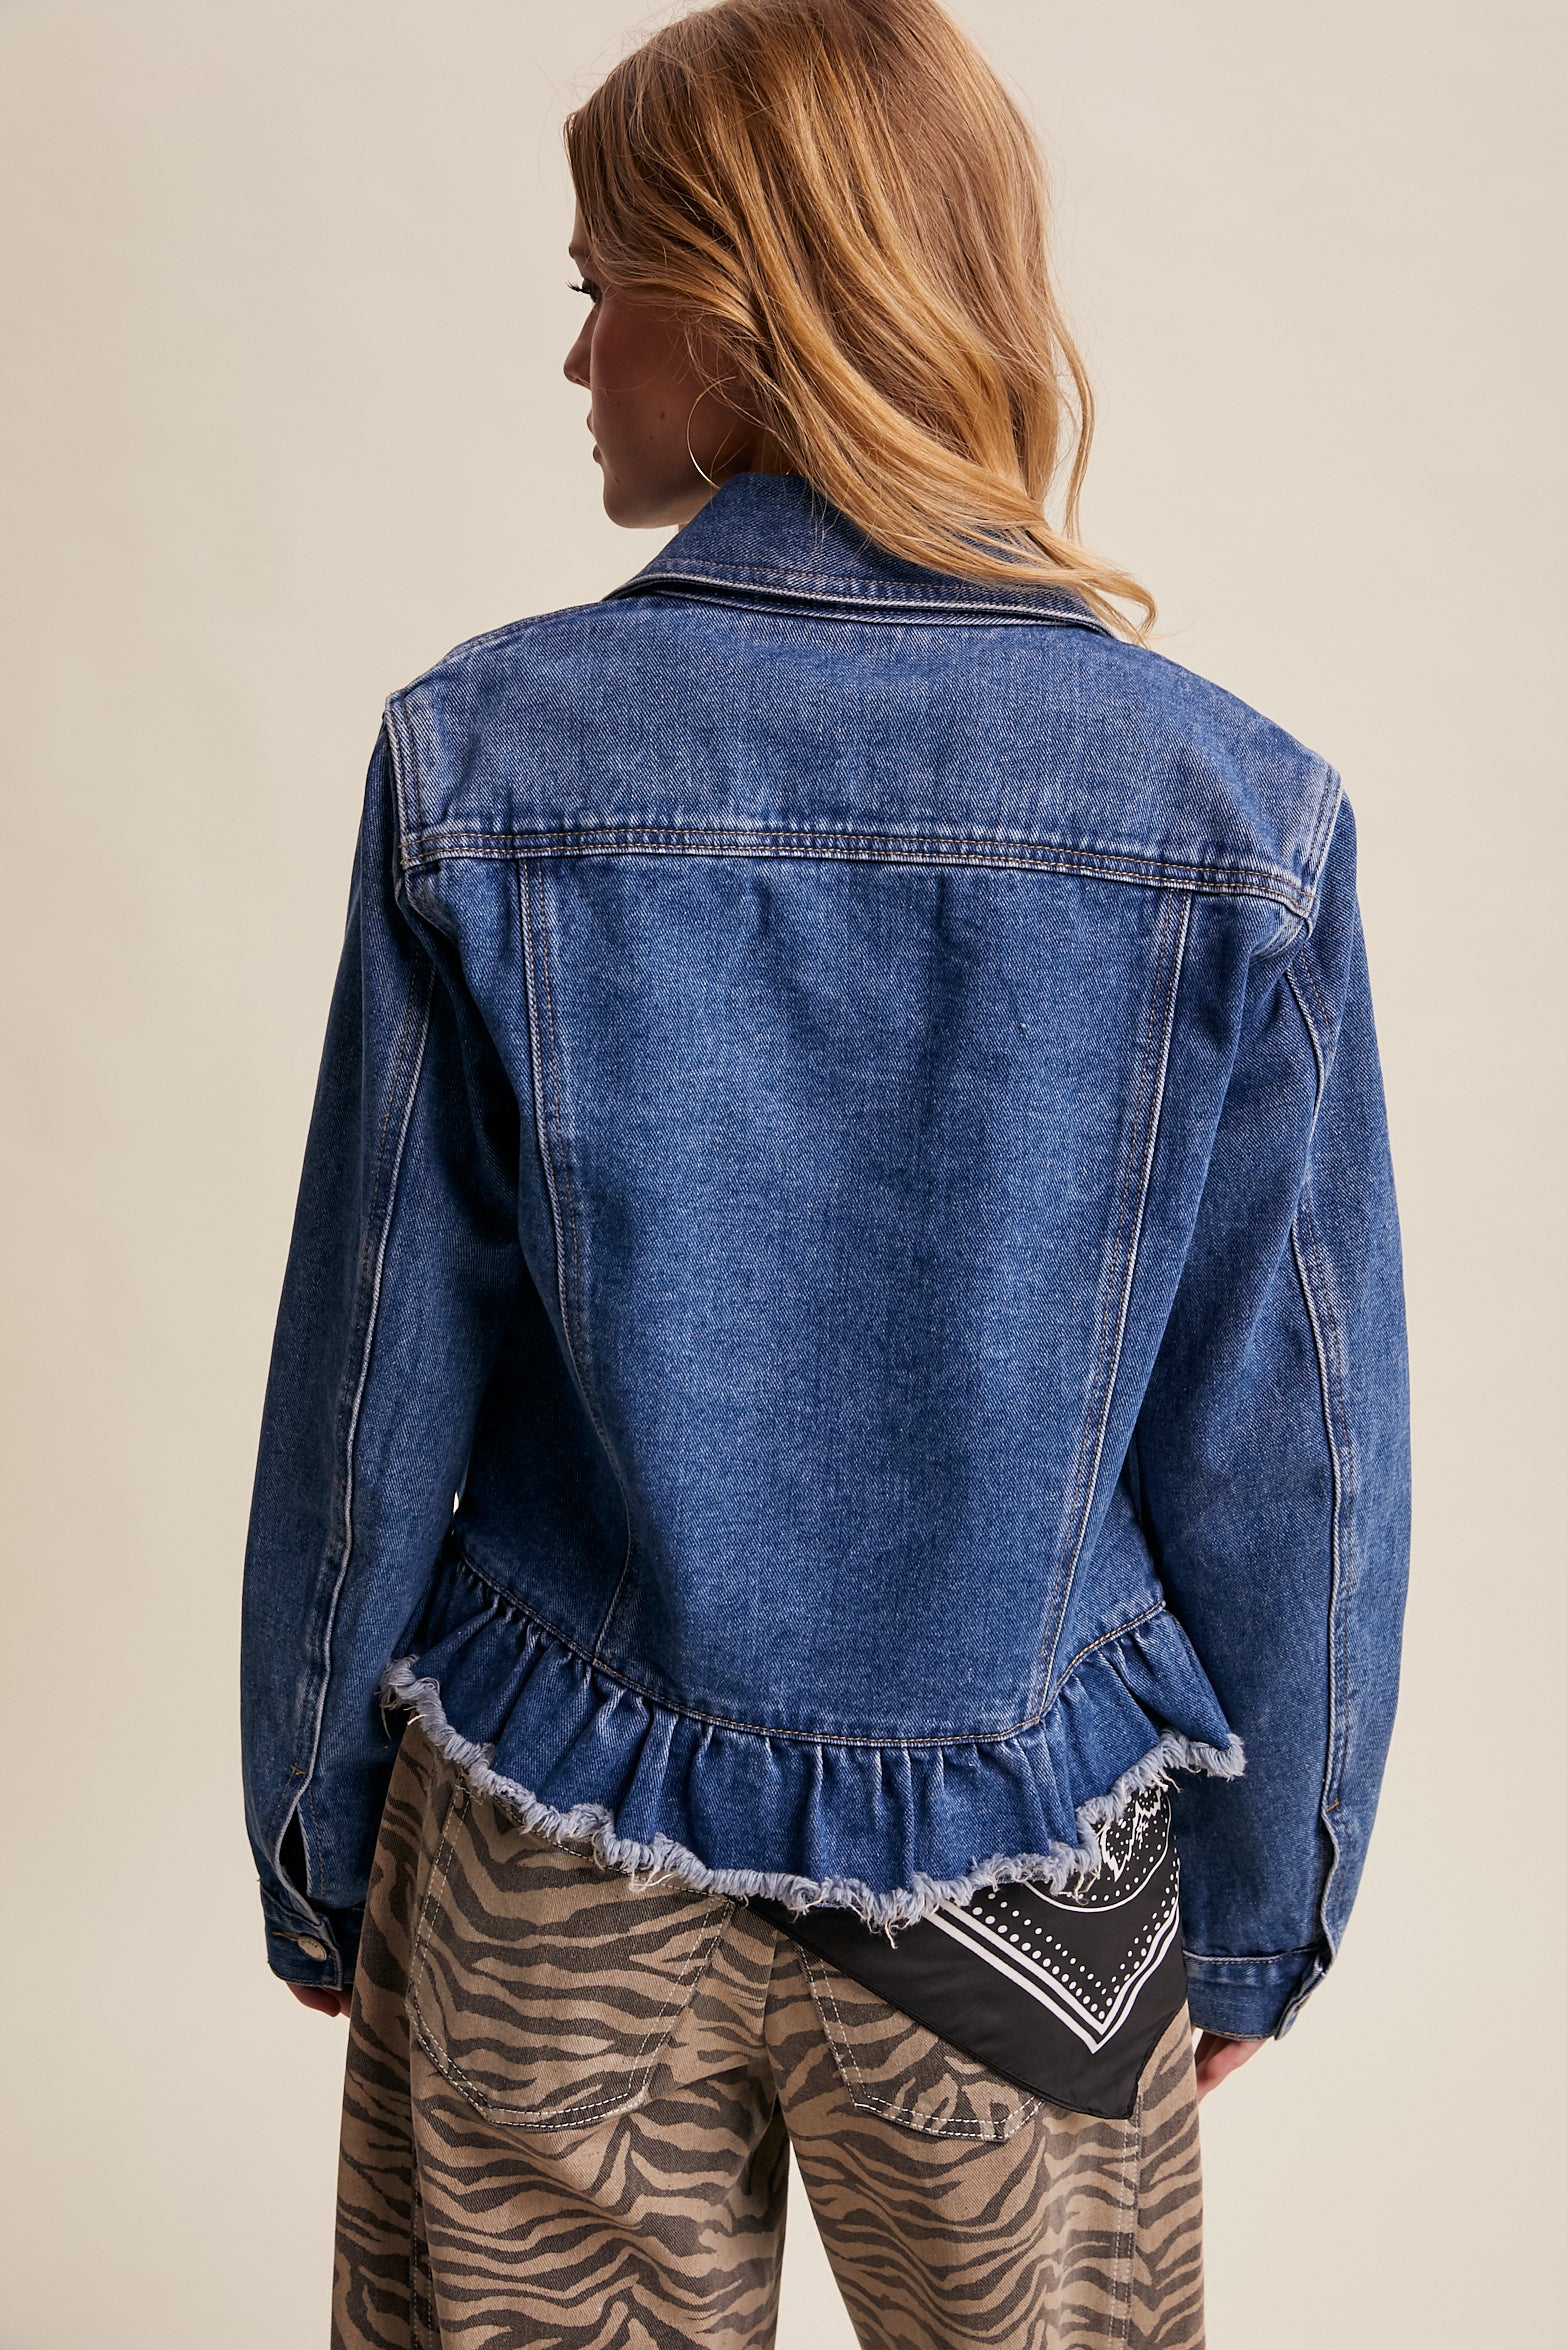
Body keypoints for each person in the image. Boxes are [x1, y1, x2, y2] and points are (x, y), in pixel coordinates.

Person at [240, 1, 1410, 2343]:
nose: (576, 355)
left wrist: (317, 1824)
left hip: (546, 1833)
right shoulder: (1230, 815)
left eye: (601, 288)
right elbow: (1287, 1437)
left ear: (739, 304)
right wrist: (1261, 1893)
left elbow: (371, 1378)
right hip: (1025, 1875)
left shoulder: (479, 759)